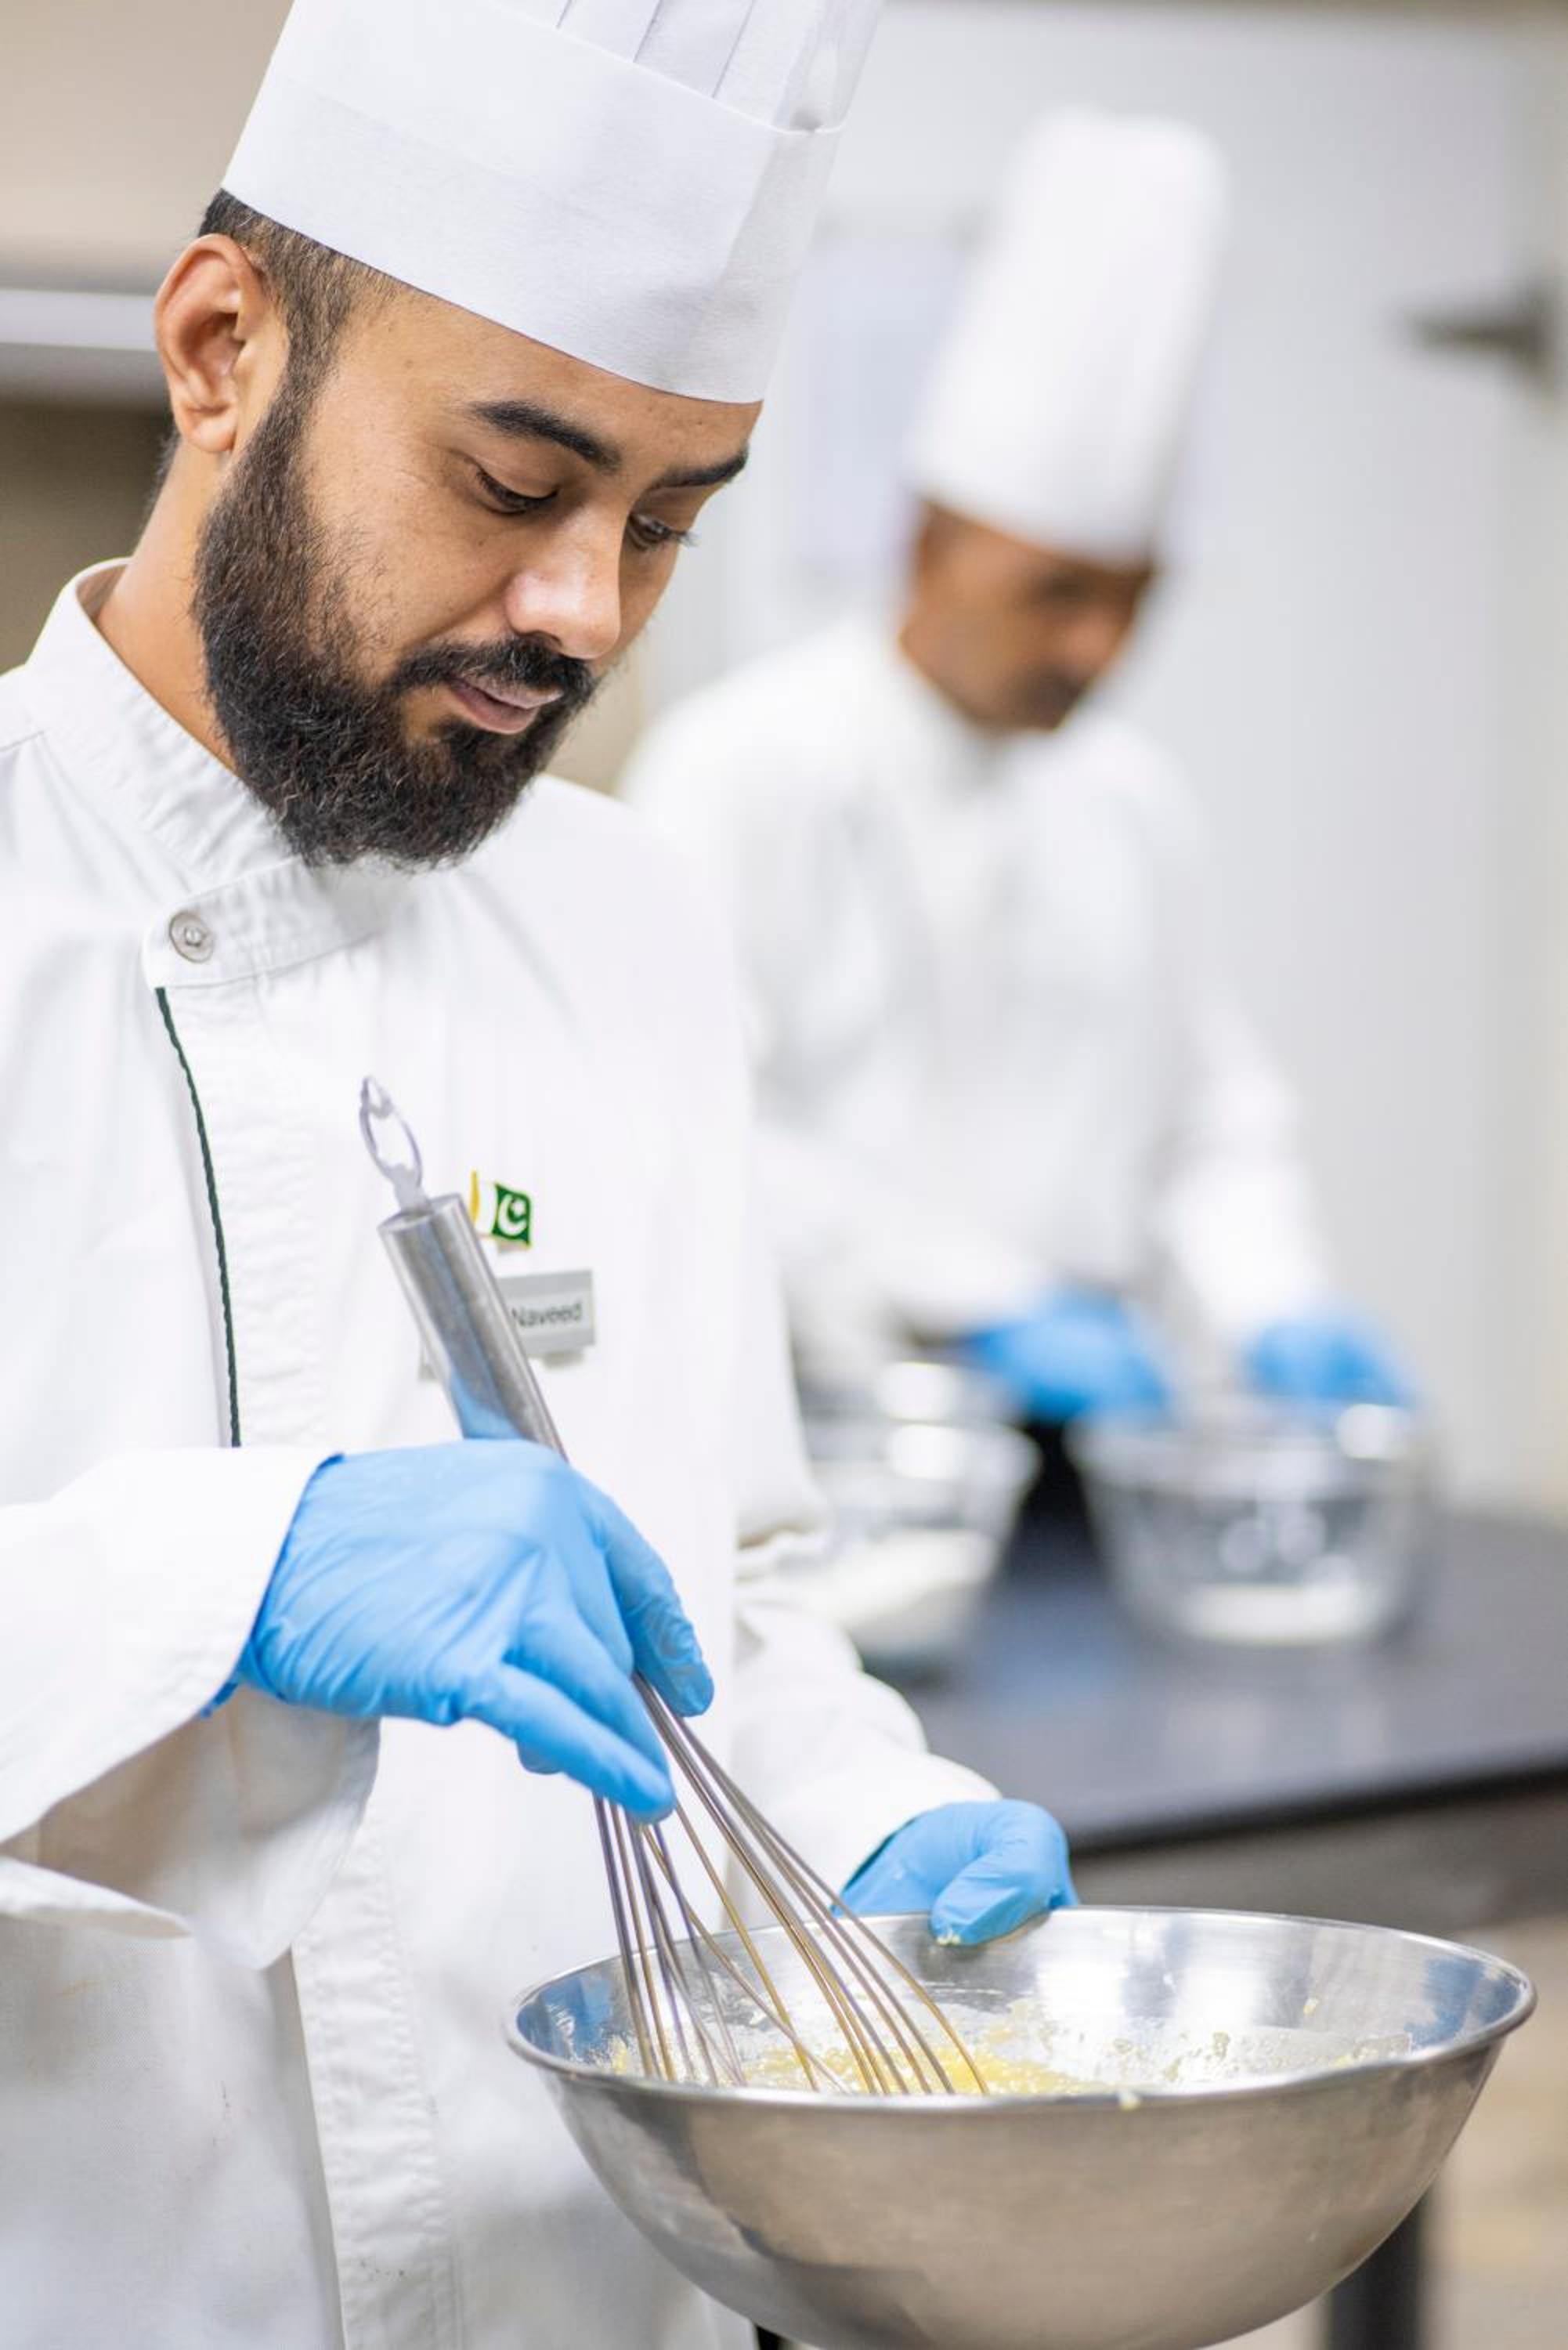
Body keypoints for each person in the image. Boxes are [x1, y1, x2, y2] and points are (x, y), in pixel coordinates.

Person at [0, 5, 1075, 2341]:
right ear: (220, 349)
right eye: (513, 483)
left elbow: (733, 1598)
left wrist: (861, 1811)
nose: (585, 608)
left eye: (668, 521)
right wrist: (223, 1579)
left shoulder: (631, 926)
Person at [623, 107, 1411, 1426]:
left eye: (1135, 598)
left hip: (1094, 1431)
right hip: (826, 1417)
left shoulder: (1130, 805)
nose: (1097, 647)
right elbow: (688, 1120)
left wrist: (1275, 1302)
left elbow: (1207, 1122)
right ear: (927, 543)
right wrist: (970, 1298)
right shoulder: (741, 767)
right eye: (1056, 593)